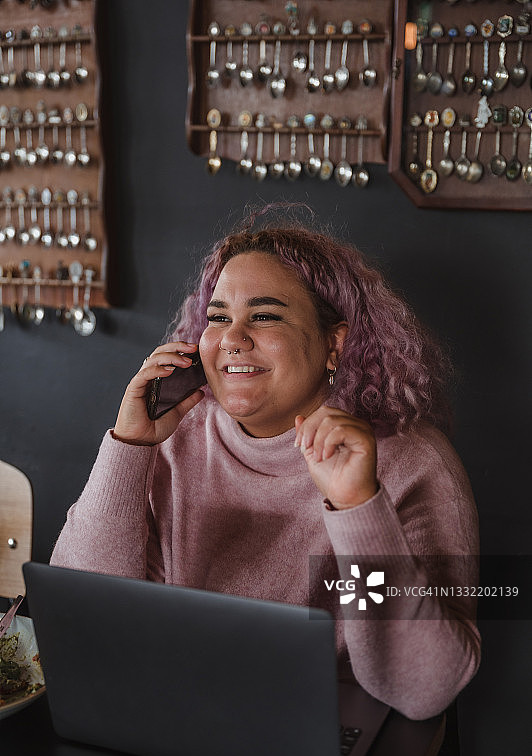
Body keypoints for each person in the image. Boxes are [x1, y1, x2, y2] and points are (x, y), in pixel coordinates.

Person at [51, 205, 480, 722]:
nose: (233, 337)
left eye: (265, 315)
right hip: (178, 713)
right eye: (218, 317)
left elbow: (422, 689)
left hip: (333, 724)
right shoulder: (175, 436)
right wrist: (128, 448)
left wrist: (357, 507)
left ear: (334, 343)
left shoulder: (412, 463)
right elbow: (84, 624)